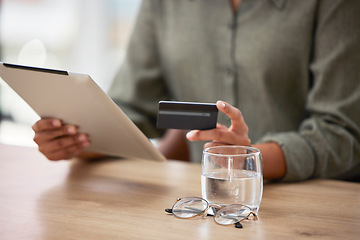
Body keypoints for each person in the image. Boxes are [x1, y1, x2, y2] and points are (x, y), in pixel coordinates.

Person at [32, 0, 360, 182]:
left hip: (314, 201)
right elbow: (133, 106)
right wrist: (75, 138)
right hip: (203, 205)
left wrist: (248, 160)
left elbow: (342, 132)